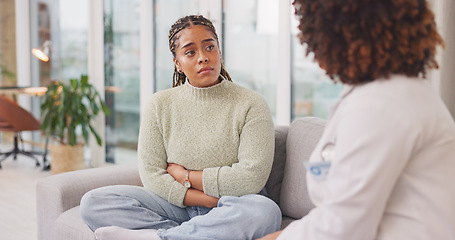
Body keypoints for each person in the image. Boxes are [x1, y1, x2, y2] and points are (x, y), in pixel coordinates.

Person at [260, 0, 455, 239]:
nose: (313, 48)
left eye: (315, 35)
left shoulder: (382, 104)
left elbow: (343, 225)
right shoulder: (385, 94)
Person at [80, 15, 281, 240]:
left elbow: (250, 179)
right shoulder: (159, 104)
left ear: (219, 52)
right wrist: (209, 201)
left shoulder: (251, 104)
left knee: (265, 211)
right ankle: (194, 234)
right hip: (178, 206)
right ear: (177, 63)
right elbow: (152, 176)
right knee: (93, 203)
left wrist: (186, 175)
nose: (203, 58)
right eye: (190, 52)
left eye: (210, 47)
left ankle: (161, 237)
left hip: (234, 206)